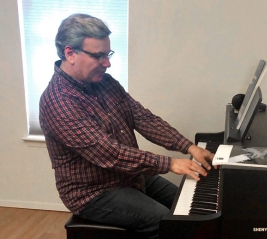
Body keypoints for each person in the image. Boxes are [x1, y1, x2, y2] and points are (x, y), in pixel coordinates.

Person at [39, 13, 214, 239]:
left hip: (128, 176)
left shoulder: (105, 82)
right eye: (98, 56)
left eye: (108, 54)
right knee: (167, 223)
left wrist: (189, 147)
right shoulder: (59, 102)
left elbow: (143, 118)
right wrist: (169, 163)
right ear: (70, 53)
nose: (107, 63)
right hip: (93, 192)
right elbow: (110, 153)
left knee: (189, 206)